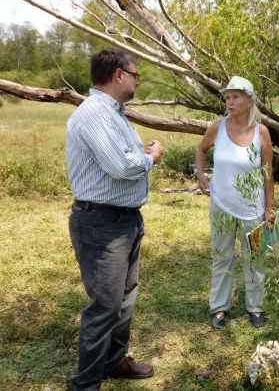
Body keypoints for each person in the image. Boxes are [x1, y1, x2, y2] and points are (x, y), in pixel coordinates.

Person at [66, 48, 164, 391]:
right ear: (119, 75)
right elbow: (121, 167)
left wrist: (140, 155)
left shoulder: (115, 114)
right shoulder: (95, 113)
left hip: (123, 220)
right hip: (101, 223)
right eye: (135, 74)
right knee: (105, 305)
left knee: (124, 297)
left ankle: (113, 361)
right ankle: (86, 384)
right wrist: (151, 157)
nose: (137, 80)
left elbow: (123, 158)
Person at [196, 76, 275, 331]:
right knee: (221, 256)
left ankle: (256, 307)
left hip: (254, 207)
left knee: (255, 257)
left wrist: (270, 208)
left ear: (249, 100)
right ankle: (219, 307)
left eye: (236, 97)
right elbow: (201, 150)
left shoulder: (261, 132)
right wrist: (200, 174)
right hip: (221, 204)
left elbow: (267, 173)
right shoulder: (216, 127)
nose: (230, 102)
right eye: (227, 97)